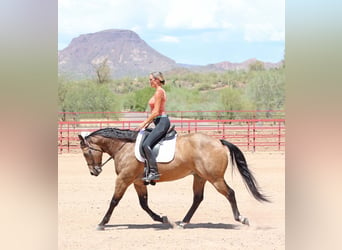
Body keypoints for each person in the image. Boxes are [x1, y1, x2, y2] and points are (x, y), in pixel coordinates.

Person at [137, 72, 171, 181]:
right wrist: (147, 124)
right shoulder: (158, 91)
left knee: (146, 144)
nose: (149, 81)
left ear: (157, 80)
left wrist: (143, 123)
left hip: (162, 121)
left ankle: (154, 172)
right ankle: (147, 170)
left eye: (151, 79)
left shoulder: (159, 92)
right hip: (158, 121)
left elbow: (156, 112)